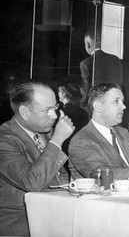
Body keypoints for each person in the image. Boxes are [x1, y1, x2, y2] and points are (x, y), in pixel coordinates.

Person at [0, 80, 75, 236]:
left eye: (55, 108)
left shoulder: (44, 132)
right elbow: (32, 182)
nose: (54, 116)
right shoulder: (4, 140)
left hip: (53, 214)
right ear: (25, 112)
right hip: (20, 223)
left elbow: (59, 178)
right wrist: (57, 140)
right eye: (47, 110)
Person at [80, 28, 123, 105]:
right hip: (116, 102)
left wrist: (82, 103)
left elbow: (87, 90)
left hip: (98, 104)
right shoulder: (115, 59)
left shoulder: (86, 64)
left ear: (88, 44)